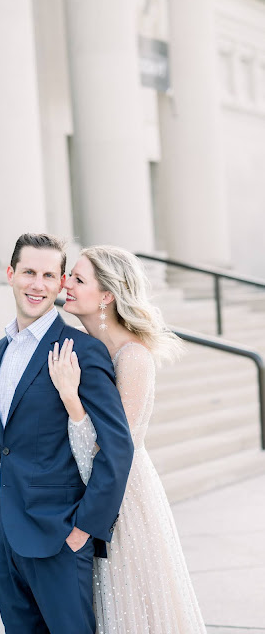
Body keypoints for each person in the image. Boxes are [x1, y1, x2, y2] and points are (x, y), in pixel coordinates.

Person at [0, 234, 134, 634]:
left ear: (61, 283)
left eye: (48, 275)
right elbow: (5, 437)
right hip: (5, 532)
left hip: (59, 536)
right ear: (10, 275)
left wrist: (84, 530)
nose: (36, 284)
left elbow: (118, 447)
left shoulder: (82, 350)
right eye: (28, 272)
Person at [49, 245, 207, 634]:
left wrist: (71, 399)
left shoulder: (132, 358)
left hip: (123, 501)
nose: (65, 283)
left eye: (79, 279)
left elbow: (113, 452)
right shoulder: (89, 348)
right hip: (92, 493)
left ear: (107, 296)